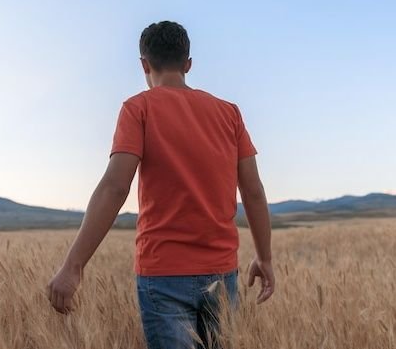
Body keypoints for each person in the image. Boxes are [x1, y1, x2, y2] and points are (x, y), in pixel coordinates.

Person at [46, 20, 275, 349]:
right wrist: (264, 258)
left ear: (144, 65)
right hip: (222, 272)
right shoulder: (230, 114)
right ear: (188, 64)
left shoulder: (138, 109)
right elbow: (253, 191)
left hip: (163, 274)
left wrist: (72, 267)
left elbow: (114, 187)